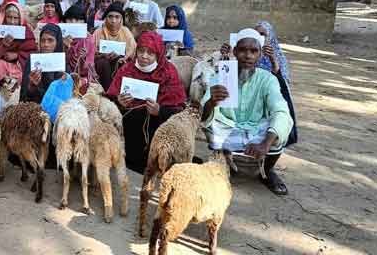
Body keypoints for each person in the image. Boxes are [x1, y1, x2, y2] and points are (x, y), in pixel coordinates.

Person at [203, 28, 294, 195]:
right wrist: (211, 102)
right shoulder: (220, 76)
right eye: (243, 50)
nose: (248, 56)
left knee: (280, 128)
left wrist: (265, 144)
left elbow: (280, 110)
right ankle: (223, 167)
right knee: (212, 128)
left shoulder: (268, 79)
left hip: (256, 129)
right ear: (235, 52)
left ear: (260, 55)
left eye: (254, 51)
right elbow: (203, 115)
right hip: (228, 129)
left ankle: (267, 172)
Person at [106, 31, 187, 173]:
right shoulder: (127, 69)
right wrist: (119, 102)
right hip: (129, 125)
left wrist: (159, 110)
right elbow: (110, 99)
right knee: (132, 117)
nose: (144, 56)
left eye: (150, 53)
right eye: (141, 51)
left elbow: (178, 108)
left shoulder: (168, 72)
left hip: (157, 124)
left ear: (158, 55)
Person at [220, 21, 297, 146]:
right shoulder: (232, 66)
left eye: (263, 34)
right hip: (233, 119)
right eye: (257, 34)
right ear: (235, 51)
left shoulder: (271, 69)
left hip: (261, 110)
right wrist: (225, 57)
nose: (248, 56)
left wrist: (273, 61)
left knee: (278, 123)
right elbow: (225, 78)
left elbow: (281, 86)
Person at [0, 0, 38, 85]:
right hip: (0, 67)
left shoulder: (27, 31)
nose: (12, 21)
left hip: (19, 67)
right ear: (4, 17)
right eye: (9, 17)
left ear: (21, 19)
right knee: (0, 65)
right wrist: (3, 47)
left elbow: (33, 53)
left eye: (16, 18)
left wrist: (17, 55)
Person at [93, 2, 137, 91]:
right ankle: (107, 92)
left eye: (117, 17)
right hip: (101, 64)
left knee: (121, 63)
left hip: (120, 61)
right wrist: (102, 55)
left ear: (121, 19)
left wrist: (123, 56)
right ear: (106, 18)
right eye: (110, 16)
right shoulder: (98, 32)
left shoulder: (125, 32)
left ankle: (118, 93)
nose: (113, 20)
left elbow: (132, 51)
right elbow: (91, 52)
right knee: (103, 63)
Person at [21, 23, 64, 103]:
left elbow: (64, 97)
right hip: (35, 108)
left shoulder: (63, 63)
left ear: (57, 42)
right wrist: (32, 86)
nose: (46, 44)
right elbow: (24, 96)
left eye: (50, 40)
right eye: (43, 40)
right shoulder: (33, 60)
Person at [63, 5, 98, 92]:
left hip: (83, 76)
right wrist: (64, 48)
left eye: (78, 19)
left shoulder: (89, 39)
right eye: (70, 19)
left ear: (83, 22)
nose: (74, 22)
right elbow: (57, 63)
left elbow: (89, 65)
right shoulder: (59, 37)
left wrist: (84, 57)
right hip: (63, 75)